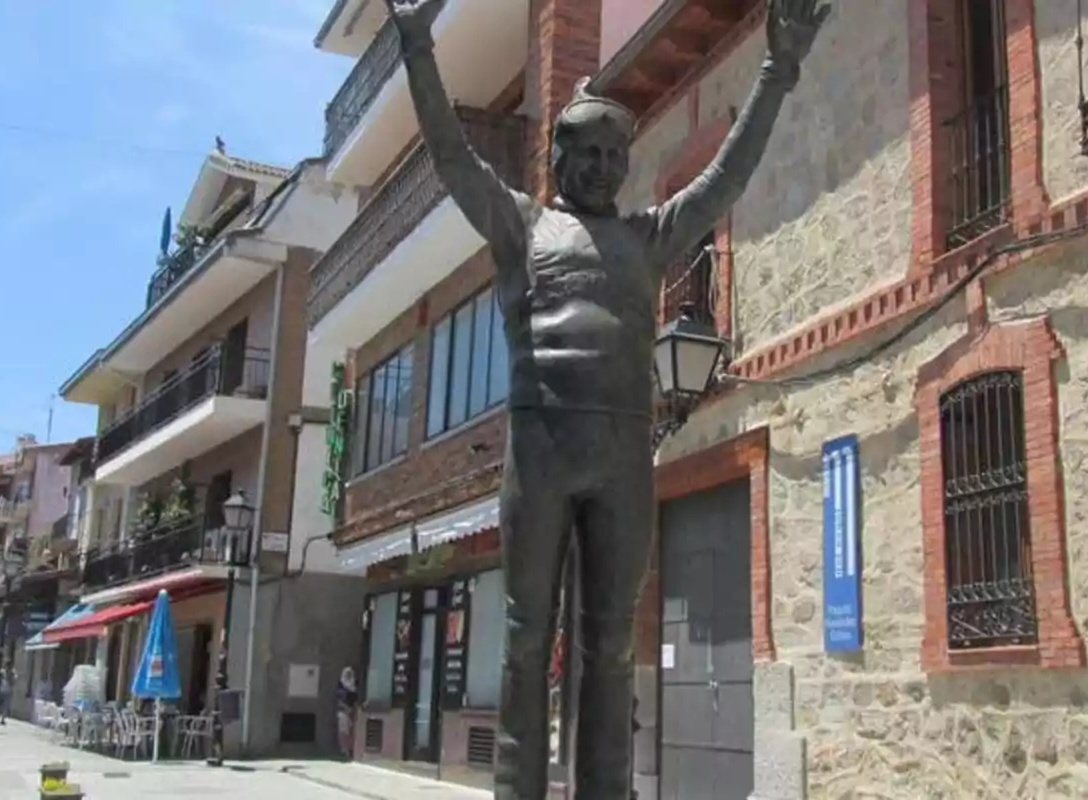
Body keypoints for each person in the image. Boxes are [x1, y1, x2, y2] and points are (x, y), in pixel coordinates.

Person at [383, 1, 829, 797]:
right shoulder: (519, 228)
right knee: (524, 638)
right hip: (542, 452)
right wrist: (417, 45)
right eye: (584, 151)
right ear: (557, 156)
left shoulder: (648, 237)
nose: (599, 166)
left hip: (625, 457)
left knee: (612, 645)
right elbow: (452, 156)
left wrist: (776, 71)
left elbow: (726, 175)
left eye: (612, 153)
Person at [335, 667, 359, 761]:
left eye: (350, 674)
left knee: (351, 732)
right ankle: (344, 750)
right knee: (343, 731)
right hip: (343, 712)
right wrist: (347, 709)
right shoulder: (341, 687)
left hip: (352, 712)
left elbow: (355, 700)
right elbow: (339, 701)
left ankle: (350, 749)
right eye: (347, 674)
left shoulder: (353, 687)